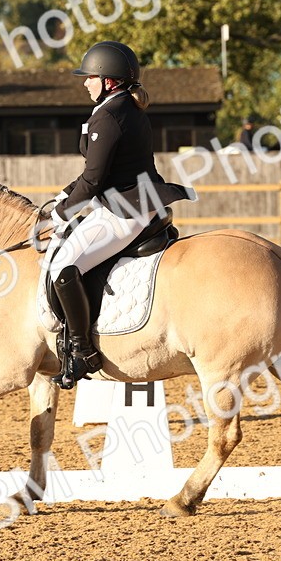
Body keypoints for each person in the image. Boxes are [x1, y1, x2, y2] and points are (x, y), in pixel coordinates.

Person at [44, 41, 194, 388]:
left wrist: (58, 215)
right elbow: (95, 174)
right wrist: (62, 198)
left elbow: (94, 179)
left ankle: (82, 352)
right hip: (133, 200)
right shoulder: (124, 107)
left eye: (91, 77)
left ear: (109, 81)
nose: (85, 83)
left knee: (62, 267)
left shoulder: (109, 116)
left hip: (124, 209)